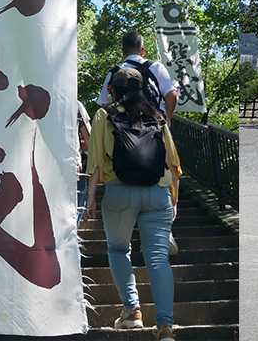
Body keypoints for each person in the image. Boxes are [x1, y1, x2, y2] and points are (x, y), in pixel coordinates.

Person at [85, 66, 182, 341]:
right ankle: (165, 327)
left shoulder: (105, 115)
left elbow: (94, 163)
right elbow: (174, 165)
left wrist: (90, 199)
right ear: (141, 90)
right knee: (158, 259)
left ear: (112, 90)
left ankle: (132, 311)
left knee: (117, 249)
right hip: (158, 193)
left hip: (119, 192)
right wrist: (173, 202)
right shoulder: (158, 117)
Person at [98, 31, 177, 127]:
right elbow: (172, 94)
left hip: (122, 127)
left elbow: (104, 103)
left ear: (123, 52)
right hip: (154, 125)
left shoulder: (114, 73)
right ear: (142, 50)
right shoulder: (156, 68)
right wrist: (167, 119)